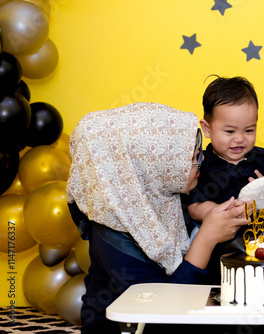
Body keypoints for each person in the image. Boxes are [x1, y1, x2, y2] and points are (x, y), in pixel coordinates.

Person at [66, 103, 248, 333]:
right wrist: (207, 237)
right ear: (149, 164)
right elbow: (162, 319)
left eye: (198, 153)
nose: (200, 162)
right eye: (191, 157)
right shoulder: (114, 236)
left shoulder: (165, 199)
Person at [183, 75, 264, 283]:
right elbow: (194, 207)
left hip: (259, 234)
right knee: (208, 259)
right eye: (229, 131)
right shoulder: (204, 163)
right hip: (220, 238)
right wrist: (227, 211)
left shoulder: (260, 157)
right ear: (207, 128)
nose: (239, 139)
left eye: (249, 130)